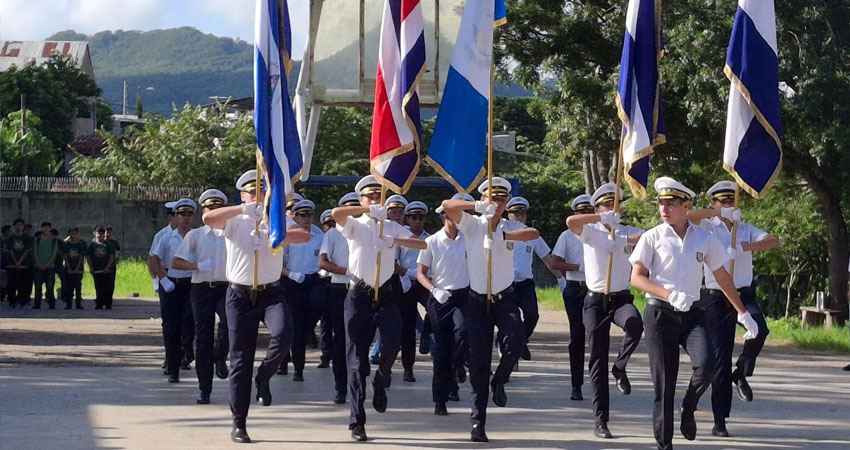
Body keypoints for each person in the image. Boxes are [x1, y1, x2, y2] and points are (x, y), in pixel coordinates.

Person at [629, 176, 759, 450]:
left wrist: (742, 312)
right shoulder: (652, 236)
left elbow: (722, 274)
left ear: (686, 205)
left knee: (708, 365)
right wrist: (667, 294)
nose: (664, 209)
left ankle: (688, 407)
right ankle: (665, 445)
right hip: (660, 314)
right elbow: (637, 278)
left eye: (671, 203)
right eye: (661, 203)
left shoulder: (704, 237)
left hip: (691, 315)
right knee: (664, 386)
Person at [203, 169, 309, 443]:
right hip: (239, 295)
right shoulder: (235, 219)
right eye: (252, 192)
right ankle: (239, 422)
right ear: (243, 195)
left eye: (262, 192)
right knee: (240, 359)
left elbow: (304, 235)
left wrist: (277, 231)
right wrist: (242, 209)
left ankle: (264, 376)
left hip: (271, 293)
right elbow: (208, 218)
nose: (257, 196)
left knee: (283, 335)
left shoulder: (277, 217)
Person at [441, 176, 541, 442]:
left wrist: (502, 235)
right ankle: (478, 422)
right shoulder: (473, 225)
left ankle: (501, 379)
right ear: (485, 199)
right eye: (492, 198)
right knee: (479, 362)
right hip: (476, 301)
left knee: (517, 340)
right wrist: (475, 206)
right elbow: (448, 206)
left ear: (507, 203)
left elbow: (533, 234)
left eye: (501, 199)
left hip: (504, 298)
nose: (497, 203)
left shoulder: (510, 225)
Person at [331, 175, 426, 442]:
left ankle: (382, 379)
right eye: (370, 197)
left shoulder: (391, 226)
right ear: (362, 200)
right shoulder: (356, 225)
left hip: (386, 294)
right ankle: (357, 421)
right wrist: (366, 211)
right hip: (358, 295)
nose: (375, 201)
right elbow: (337, 213)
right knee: (356, 361)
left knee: (393, 344)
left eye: (378, 197)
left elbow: (420, 242)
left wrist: (395, 239)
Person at [688, 180, 780, 437]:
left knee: (760, 330)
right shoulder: (706, 227)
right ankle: (720, 421)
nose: (729, 205)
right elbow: (687, 216)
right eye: (723, 201)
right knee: (720, 359)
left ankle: (741, 372)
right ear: (714, 204)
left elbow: (773, 241)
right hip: (716, 297)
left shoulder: (744, 228)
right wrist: (719, 215)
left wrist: (743, 246)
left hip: (743, 293)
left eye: (731, 201)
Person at [566, 183, 645, 439]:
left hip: (620, 299)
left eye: (615, 205)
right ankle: (601, 420)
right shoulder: (590, 232)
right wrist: (601, 220)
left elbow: (647, 236)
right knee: (597, 360)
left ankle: (620, 367)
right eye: (606, 205)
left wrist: (622, 238)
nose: (612, 209)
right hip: (596, 301)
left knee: (635, 324)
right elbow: (571, 221)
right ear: (598, 208)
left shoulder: (628, 231)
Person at [173, 189, 231, 404]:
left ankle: (220, 355)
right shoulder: (195, 235)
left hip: (227, 287)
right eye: (210, 209)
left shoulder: (233, 233)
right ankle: (204, 388)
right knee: (203, 338)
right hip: (202, 289)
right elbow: (176, 262)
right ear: (204, 213)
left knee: (229, 325)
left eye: (218, 208)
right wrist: (197, 265)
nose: (214, 212)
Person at [417, 197, 470, 416]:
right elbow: (421, 273)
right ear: (445, 217)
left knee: (463, 332)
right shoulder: (432, 242)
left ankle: (458, 365)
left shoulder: (470, 239)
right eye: (456, 215)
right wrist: (433, 290)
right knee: (442, 349)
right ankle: (440, 399)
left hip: (464, 295)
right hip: (440, 297)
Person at [504, 196, 561, 361]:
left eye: (522, 213)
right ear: (508, 214)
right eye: (515, 213)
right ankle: (509, 345)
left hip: (525, 283)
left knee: (532, 316)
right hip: (506, 283)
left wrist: (561, 280)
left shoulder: (532, 235)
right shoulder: (503, 231)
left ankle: (521, 342)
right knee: (510, 319)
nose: (519, 217)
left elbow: (548, 260)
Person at [551, 194, 594, 401]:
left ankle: (597, 382)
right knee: (577, 337)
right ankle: (576, 384)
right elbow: (554, 262)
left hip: (596, 288)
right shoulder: (567, 236)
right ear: (574, 214)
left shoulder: (601, 233)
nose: (585, 216)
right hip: (576, 287)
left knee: (596, 337)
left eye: (588, 212)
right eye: (581, 212)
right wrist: (578, 267)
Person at [151, 198, 198, 382]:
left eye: (189, 214)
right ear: (175, 217)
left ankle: (187, 353)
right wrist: (162, 280)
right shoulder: (166, 237)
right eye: (181, 214)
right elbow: (154, 260)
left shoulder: (196, 236)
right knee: (171, 326)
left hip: (191, 283)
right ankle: (173, 367)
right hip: (170, 282)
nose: (185, 218)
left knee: (189, 321)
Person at [280, 199, 325, 382]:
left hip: (314, 279)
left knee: (319, 306)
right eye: (302, 215)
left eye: (309, 215)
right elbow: (277, 263)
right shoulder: (288, 235)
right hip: (292, 281)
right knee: (291, 327)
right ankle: (291, 366)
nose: (307, 219)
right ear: (295, 217)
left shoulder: (319, 235)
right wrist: (290, 274)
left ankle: (308, 332)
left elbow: (325, 256)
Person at [318, 193, 357, 404]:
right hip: (339, 289)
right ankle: (341, 387)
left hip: (362, 289)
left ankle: (357, 383)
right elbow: (323, 263)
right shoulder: (332, 234)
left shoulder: (365, 231)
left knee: (359, 340)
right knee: (341, 340)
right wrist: (347, 271)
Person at [368, 194, 409, 365]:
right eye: (393, 212)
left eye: (400, 212)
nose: (396, 215)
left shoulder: (403, 232)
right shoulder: (378, 229)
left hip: (397, 282)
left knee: (396, 322)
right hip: (380, 280)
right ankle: (374, 352)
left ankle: (382, 355)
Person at [397, 200, 431, 382]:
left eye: (420, 218)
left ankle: (426, 335)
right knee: (407, 328)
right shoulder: (400, 237)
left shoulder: (430, 238)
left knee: (434, 311)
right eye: (413, 218)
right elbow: (393, 262)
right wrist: (405, 275)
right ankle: (408, 368)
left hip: (424, 281)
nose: (417, 221)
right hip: (406, 282)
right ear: (407, 219)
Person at [149, 201, 178, 371]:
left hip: (186, 279)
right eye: (177, 215)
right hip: (166, 277)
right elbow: (152, 261)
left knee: (187, 321)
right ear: (171, 217)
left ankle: (184, 355)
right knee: (169, 322)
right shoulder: (161, 236)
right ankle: (170, 357)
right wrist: (157, 280)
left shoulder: (191, 234)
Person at [4, 219, 33, 308]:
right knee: (11, 284)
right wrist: (15, 261)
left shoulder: (26, 238)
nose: (19, 226)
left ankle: (22, 301)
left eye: (20, 224)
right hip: (12, 264)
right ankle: (11, 301)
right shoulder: (11, 238)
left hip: (23, 264)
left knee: (22, 284)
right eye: (17, 224)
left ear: (23, 226)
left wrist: (20, 261)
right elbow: (10, 250)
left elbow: (26, 251)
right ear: (14, 226)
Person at [32, 222, 60, 309]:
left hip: (50, 267)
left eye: (48, 227)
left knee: (50, 286)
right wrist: (39, 263)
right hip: (38, 267)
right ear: (41, 229)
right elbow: (35, 252)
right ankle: (37, 304)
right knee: (38, 286)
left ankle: (51, 304)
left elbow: (54, 253)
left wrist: (48, 264)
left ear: (50, 229)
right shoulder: (37, 240)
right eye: (44, 227)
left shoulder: (53, 240)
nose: (46, 229)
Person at [88, 225, 116, 310]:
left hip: (107, 270)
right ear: (95, 234)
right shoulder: (92, 245)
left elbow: (112, 256)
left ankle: (108, 304)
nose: (99, 235)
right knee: (98, 287)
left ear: (104, 234)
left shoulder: (108, 245)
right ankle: (99, 303)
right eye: (98, 233)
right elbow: (88, 256)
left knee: (108, 287)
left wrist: (108, 266)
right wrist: (91, 267)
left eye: (101, 233)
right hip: (97, 270)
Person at [62, 228, 87, 309]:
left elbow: (81, 257)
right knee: (69, 287)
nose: (73, 235)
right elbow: (65, 256)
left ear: (78, 235)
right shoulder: (67, 245)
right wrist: (68, 268)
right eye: (72, 234)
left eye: (75, 233)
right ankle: (68, 304)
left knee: (78, 287)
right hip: (68, 269)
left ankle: (78, 303)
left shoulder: (80, 245)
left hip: (78, 269)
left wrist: (77, 268)